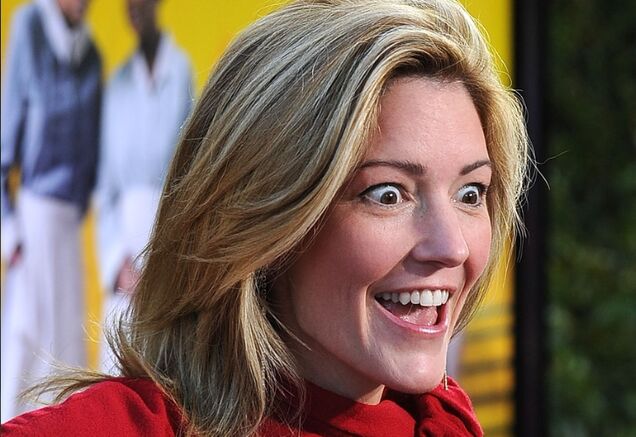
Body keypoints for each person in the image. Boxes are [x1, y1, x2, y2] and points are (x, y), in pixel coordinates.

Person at [1, 0, 530, 435]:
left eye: (471, 193)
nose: (452, 247)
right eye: (388, 195)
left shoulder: (446, 423)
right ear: (268, 215)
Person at [0, 0, 101, 422]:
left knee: (67, 344)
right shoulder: (31, 29)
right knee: (25, 340)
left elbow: (93, 156)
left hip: (68, 225)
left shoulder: (91, 55)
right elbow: (6, 145)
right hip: (33, 217)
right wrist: (11, 233)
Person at [95, 0, 193, 372]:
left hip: (163, 233)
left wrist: (166, 260)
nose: (133, 9)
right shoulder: (117, 86)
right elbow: (106, 186)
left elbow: (189, 171)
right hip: (124, 241)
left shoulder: (180, 73)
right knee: (115, 362)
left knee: (161, 361)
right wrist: (117, 264)